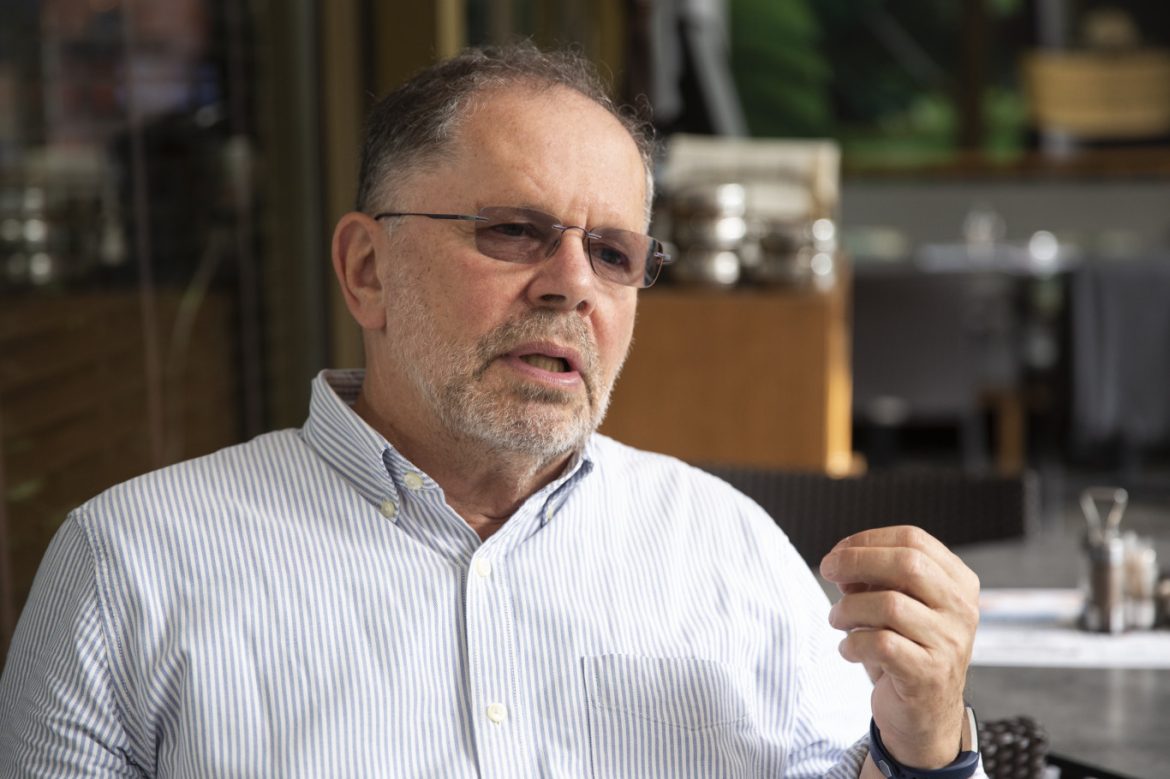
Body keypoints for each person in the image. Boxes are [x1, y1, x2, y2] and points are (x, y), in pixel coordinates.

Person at [0, 44, 983, 778]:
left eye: (613, 253)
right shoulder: (129, 567)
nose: (572, 285)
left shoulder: (731, 551)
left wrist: (926, 743)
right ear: (367, 269)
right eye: (514, 231)